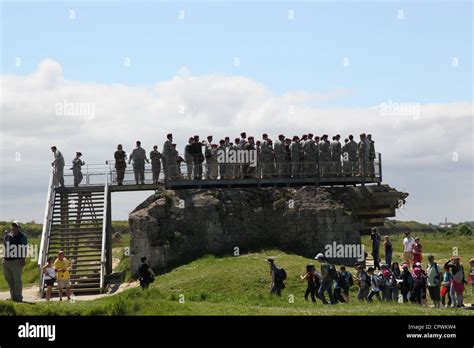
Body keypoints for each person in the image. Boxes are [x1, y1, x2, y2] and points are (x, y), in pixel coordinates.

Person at [2, 221, 28, 302]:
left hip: (17, 261)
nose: (14, 227)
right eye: (13, 226)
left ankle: (18, 298)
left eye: (16, 226)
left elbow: (24, 248)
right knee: (10, 281)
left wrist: (23, 259)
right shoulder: (7, 236)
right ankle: (13, 297)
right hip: (6, 261)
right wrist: (3, 258)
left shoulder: (22, 237)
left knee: (17, 281)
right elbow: (5, 247)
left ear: (19, 227)